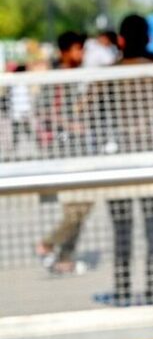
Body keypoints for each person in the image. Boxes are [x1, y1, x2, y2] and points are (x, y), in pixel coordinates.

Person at [107, 14, 153, 305]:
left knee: (122, 230)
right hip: (152, 159)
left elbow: (80, 110)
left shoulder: (109, 74)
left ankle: (122, 291)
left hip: (118, 162)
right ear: (148, 39)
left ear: (121, 40)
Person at [36, 30, 92, 275]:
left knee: (83, 205)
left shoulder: (80, 76)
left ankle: (65, 258)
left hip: (81, 149)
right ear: (65, 51)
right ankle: (48, 243)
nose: (81, 54)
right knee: (76, 208)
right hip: (63, 152)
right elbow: (42, 110)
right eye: (77, 49)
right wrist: (71, 125)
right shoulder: (57, 79)